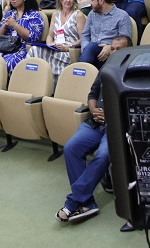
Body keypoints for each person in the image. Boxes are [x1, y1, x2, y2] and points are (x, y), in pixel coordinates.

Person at [55, 34, 132, 225]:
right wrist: (93, 108)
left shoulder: (135, 73)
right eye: (112, 48)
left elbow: (134, 106)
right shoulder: (106, 68)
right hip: (95, 122)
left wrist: (112, 115)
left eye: (118, 49)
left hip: (117, 126)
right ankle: (87, 202)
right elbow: (93, 92)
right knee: (71, 148)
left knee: (104, 155)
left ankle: (74, 201)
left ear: (129, 50)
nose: (113, 52)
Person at [30, 0, 85, 83]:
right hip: (55, 47)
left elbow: (83, 39)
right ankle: (34, 81)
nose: (68, 0)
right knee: (34, 50)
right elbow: (50, 35)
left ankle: (54, 86)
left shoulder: (78, 15)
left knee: (57, 57)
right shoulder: (56, 14)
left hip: (69, 50)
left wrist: (67, 47)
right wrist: (50, 44)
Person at [0, 0, 44, 75]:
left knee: (7, 63)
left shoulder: (34, 15)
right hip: (5, 48)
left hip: (22, 49)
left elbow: (33, 37)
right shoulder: (9, 14)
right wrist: (4, 26)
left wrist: (15, 25)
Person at [79, 0, 133, 68]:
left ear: (101, 1)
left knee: (92, 47)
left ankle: (78, 73)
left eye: (92, 0)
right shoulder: (92, 14)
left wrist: (110, 47)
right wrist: (86, 49)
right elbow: (85, 35)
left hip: (111, 55)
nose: (91, 3)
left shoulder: (122, 16)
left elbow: (125, 41)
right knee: (91, 46)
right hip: (91, 53)